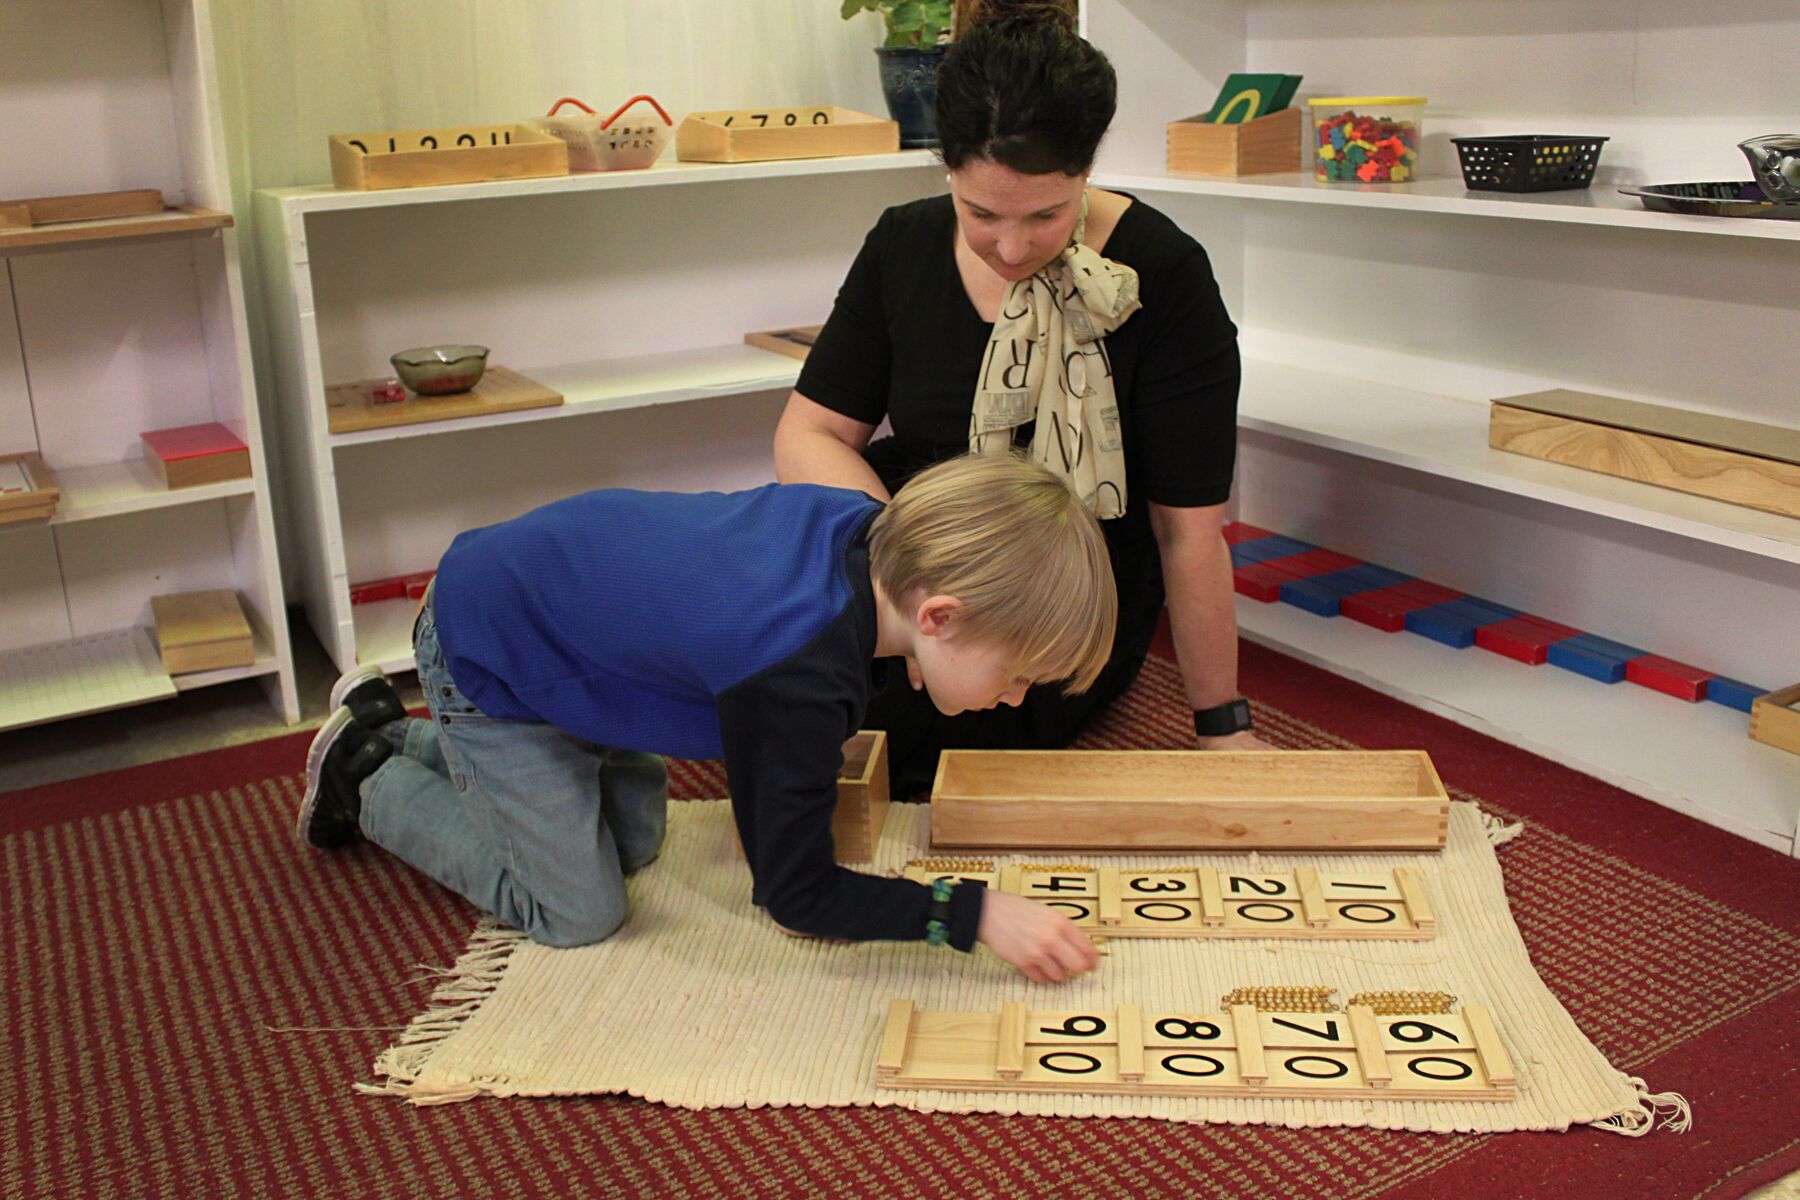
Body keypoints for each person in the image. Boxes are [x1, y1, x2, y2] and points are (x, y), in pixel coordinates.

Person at [295, 453, 1111, 985]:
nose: (1013, 700)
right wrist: (971, 914)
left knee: (640, 842)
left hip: (564, 629)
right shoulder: (796, 671)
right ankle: (359, 773)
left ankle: (398, 728)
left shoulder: (869, 528)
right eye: (1018, 676)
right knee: (580, 913)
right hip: (490, 655)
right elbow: (797, 895)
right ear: (936, 618)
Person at [774, 0, 1272, 798]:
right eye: (980, 214)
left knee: (939, 736)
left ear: (1087, 171)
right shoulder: (903, 241)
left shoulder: (1164, 273)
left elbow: (1187, 529)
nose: (1011, 248)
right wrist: (904, 551)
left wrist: (1222, 725)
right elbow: (811, 433)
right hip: (914, 553)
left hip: (1061, 589)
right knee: (779, 681)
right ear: (947, 172)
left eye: (1046, 214)